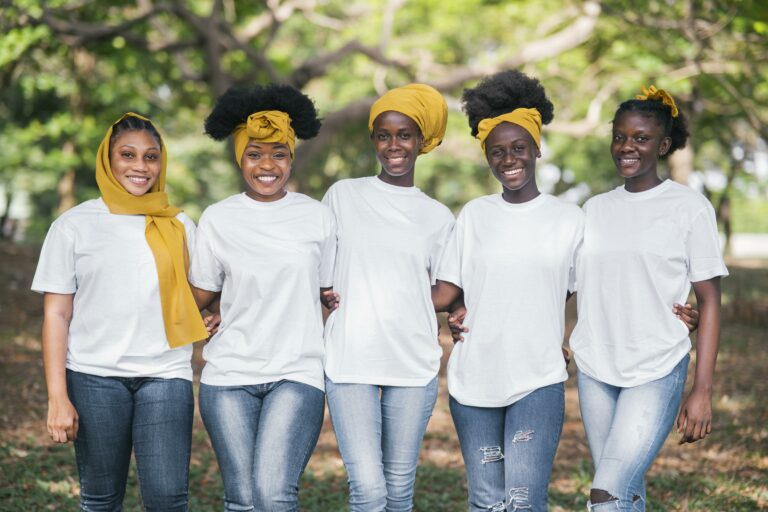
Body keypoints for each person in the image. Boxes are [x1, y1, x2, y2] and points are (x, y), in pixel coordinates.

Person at [33, 112, 208, 511]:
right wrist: (57, 397)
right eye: (127, 155)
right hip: (94, 378)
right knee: (101, 499)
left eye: (151, 157)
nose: (140, 166)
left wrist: (209, 314)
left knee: (167, 499)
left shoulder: (180, 224)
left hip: (165, 374)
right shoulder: (74, 226)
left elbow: (200, 292)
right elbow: (56, 315)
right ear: (108, 160)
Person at [570, 86, 728, 511]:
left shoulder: (689, 207)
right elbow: (564, 281)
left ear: (663, 145)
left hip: (656, 366)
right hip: (595, 366)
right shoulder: (592, 209)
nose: (627, 147)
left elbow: (710, 300)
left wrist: (702, 391)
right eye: (620, 136)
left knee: (606, 493)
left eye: (641, 139)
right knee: (626, 489)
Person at [431, 70, 582, 512]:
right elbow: (448, 289)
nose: (509, 159)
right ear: (487, 158)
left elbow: (575, 287)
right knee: (486, 501)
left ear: (537, 148)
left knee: (523, 499)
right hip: (473, 381)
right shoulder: (474, 216)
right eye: (497, 152)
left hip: (537, 379)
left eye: (519, 148)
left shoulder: (569, 219)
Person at [189, 84, 337, 511]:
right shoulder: (218, 218)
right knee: (241, 498)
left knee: (273, 494)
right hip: (228, 376)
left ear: (291, 157)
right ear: (240, 158)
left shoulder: (316, 216)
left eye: (279, 154)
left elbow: (330, 293)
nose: (267, 165)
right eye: (254, 154)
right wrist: (201, 315)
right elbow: (202, 294)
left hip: (297, 372)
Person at [321, 83, 454, 512]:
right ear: (373, 139)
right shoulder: (343, 195)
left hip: (412, 362)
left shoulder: (437, 216)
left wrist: (437, 303)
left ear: (421, 142)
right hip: (349, 359)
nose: (393, 144)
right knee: (369, 490)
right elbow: (317, 264)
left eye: (404, 135)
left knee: (398, 490)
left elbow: (448, 288)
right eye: (383, 135)